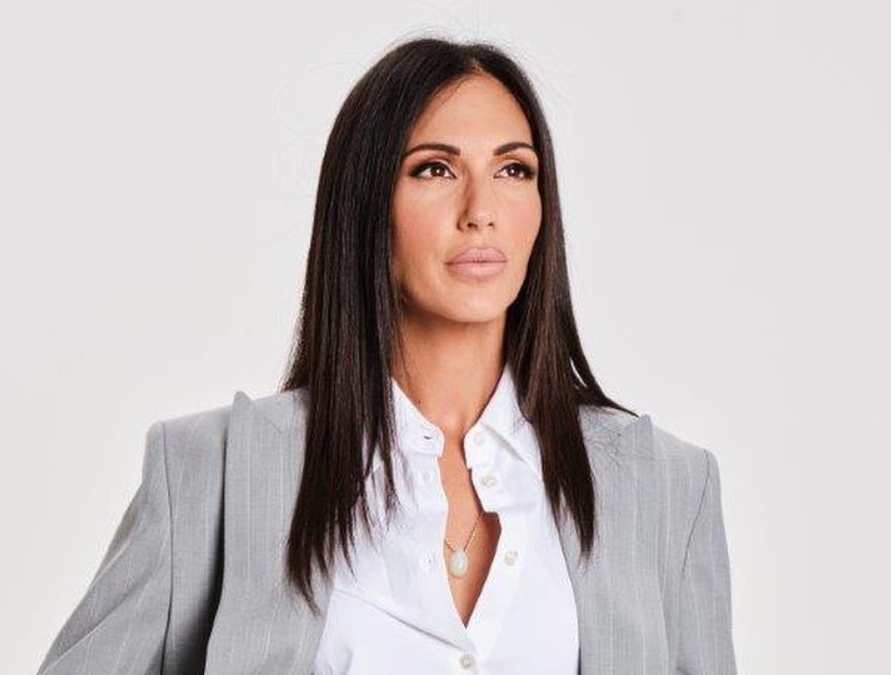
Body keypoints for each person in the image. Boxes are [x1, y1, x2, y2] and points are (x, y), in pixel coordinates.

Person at [36, 36, 737, 675]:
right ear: (366, 202)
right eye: (434, 169)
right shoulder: (211, 472)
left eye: (513, 169)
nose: (482, 209)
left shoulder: (667, 486)